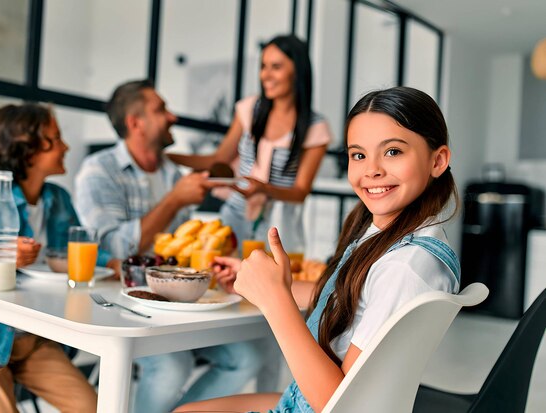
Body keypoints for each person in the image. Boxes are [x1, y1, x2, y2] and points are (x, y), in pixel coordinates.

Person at [174, 86, 461, 413]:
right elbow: (350, 298)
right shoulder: (398, 241)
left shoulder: (405, 267)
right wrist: (271, 285)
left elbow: (340, 405)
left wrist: (275, 301)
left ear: (438, 160)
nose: (372, 170)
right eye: (358, 155)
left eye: (393, 151)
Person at [74, 79, 264, 413]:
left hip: (178, 303)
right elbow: (113, 248)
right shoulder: (97, 171)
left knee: (246, 358)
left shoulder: (174, 173)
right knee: (173, 366)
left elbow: (182, 248)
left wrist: (240, 204)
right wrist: (173, 202)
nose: (172, 116)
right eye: (161, 109)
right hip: (124, 303)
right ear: (136, 123)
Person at [0, 102, 120, 412]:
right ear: (27, 150)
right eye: (56, 138)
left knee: (96, 408)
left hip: (33, 339)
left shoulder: (58, 199)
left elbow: (72, 251)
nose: (66, 146)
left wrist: (111, 262)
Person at [168, 34, 332, 254]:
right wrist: (167, 157)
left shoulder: (315, 127)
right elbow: (218, 158)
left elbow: (300, 191)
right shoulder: (249, 109)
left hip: (279, 227)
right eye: (263, 66)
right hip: (234, 217)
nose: (266, 75)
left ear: (298, 71)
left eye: (276, 67)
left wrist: (264, 189)